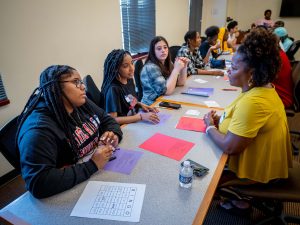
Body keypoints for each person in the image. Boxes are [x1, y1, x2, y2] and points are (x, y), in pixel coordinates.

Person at [203, 28, 292, 213]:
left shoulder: (255, 101)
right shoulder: (260, 90)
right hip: (263, 159)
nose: (229, 70)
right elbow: (241, 115)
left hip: (258, 173)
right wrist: (223, 119)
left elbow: (230, 147)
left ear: (251, 73)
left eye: (234, 68)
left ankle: (242, 200)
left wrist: (210, 127)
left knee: (202, 176)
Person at [17, 65, 123, 199]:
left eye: (81, 82)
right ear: (56, 88)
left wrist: (113, 133)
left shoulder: (80, 102)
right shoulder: (38, 131)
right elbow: (38, 183)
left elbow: (107, 119)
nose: (83, 87)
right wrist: (92, 165)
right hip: (68, 191)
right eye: (76, 82)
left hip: (94, 172)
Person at [101, 49, 159, 125]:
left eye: (132, 63)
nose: (132, 68)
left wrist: (140, 105)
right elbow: (113, 119)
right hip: (124, 128)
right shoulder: (113, 89)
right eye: (125, 66)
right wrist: (140, 116)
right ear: (116, 69)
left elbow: (127, 98)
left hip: (133, 120)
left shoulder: (129, 80)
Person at [140, 36, 189, 106]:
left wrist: (184, 66)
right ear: (153, 52)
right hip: (151, 106)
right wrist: (176, 69)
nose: (163, 50)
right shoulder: (150, 67)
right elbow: (166, 91)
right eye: (159, 49)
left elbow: (180, 83)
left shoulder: (167, 62)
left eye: (165, 47)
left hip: (164, 101)